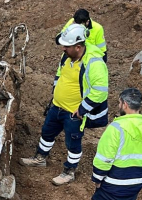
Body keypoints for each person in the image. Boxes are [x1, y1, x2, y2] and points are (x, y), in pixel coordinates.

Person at [20, 23, 108, 185]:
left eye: (67, 46)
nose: (63, 49)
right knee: (47, 133)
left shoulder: (94, 63)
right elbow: (60, 74)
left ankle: (69, 171)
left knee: (72, 142)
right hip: (57, 106)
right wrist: (56, 91)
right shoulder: (68, 56)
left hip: (74, 113)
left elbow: (100, 91)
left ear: (78, 47)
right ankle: (40, 158)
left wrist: (83, 109)